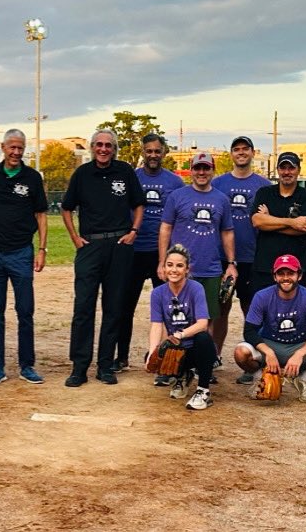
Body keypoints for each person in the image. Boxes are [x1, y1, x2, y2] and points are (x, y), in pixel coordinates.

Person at [61, 128, 145, 386]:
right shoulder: (82, 174)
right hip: (90, 247)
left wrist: (134, 231)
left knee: (114, 307)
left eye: (108, 145)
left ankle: (106, 365)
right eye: (98, 144)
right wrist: (75, 238)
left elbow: (138, 204)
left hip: (119, 245)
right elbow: (66, 208)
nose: (103, 149)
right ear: (92, 147)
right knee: (83, 307)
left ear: (114, 148)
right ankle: (79, 366)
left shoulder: (125, 172)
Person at [0, 129, 48, 386]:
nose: (16, 152)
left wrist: (41, 249)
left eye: (21, 148)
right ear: (3, 147)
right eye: (12, 147)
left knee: (25, 310)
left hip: (21, 253)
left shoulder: (32, 177)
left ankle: (27, 365)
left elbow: (41, 214)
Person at [157, 151, 236, 373]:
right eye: (197, 168)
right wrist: (163, 261)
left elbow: (227, 232)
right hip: (179, 270)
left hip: (210, 269)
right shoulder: (178, 196)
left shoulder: (221, 199)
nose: (201, 172)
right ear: (191, 170)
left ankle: (203, 365)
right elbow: (165, 228)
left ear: (213, 170)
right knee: (173, 317)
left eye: (206, 168)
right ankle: (170, 363)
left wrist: (231, 263)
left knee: (207, 319)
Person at [121, 133, 184, 375]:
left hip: (163, 256)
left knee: (170, 309)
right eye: (149, 151)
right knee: (125, 306)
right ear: (143, 152)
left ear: (164, 153)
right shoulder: (132, 177)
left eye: (157, 151)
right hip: (134, 251)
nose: (153, 155)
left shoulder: (175, 182)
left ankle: (165, 356)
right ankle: (121, 357)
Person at [233, 254, 306, 404]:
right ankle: (259, 378)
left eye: (290, 273)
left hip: (299, 344)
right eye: (281, 273)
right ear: (274, 277)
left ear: (299, 276)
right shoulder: (262, 296)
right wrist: (268, 352)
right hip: (269, 342)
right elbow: (249, 331)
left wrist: (299, 354)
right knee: (240, 352)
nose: (285, 278)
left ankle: (304, 381)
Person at [211, 135, 270, 381]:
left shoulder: (264, 185)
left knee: (252, 311)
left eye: (246, 149)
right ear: (231, 154)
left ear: (253, 153)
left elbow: (269, 221)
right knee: (218, 309)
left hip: (251, 257)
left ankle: (253, 360)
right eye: (236, 149)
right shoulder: (218, 183)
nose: (241, 153)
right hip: (221, 258)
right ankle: (212, 357)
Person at [147, 244, 216, 410]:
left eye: (179, 266)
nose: (174, 270)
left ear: (187, 269)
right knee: (154, 355)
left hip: (195, 347)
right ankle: (183, 376)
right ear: (164, 267)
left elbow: (202, 324)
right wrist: (152, 352)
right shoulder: (158, 293)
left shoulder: (196, 288)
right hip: (176, 350)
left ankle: (203, 391)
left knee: (204, 338)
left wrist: (180, 335)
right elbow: (156, 325)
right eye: (169, 265)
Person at [251, 151, 306, 291]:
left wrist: (269, 220)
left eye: (291, 168)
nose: (287, 172)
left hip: (298, 268)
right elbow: (257, 221)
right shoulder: (264, 193)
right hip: (265, 267)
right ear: (278, 170)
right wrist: (292, 222)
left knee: (296, 311)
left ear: (298, 170)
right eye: (283, 168)